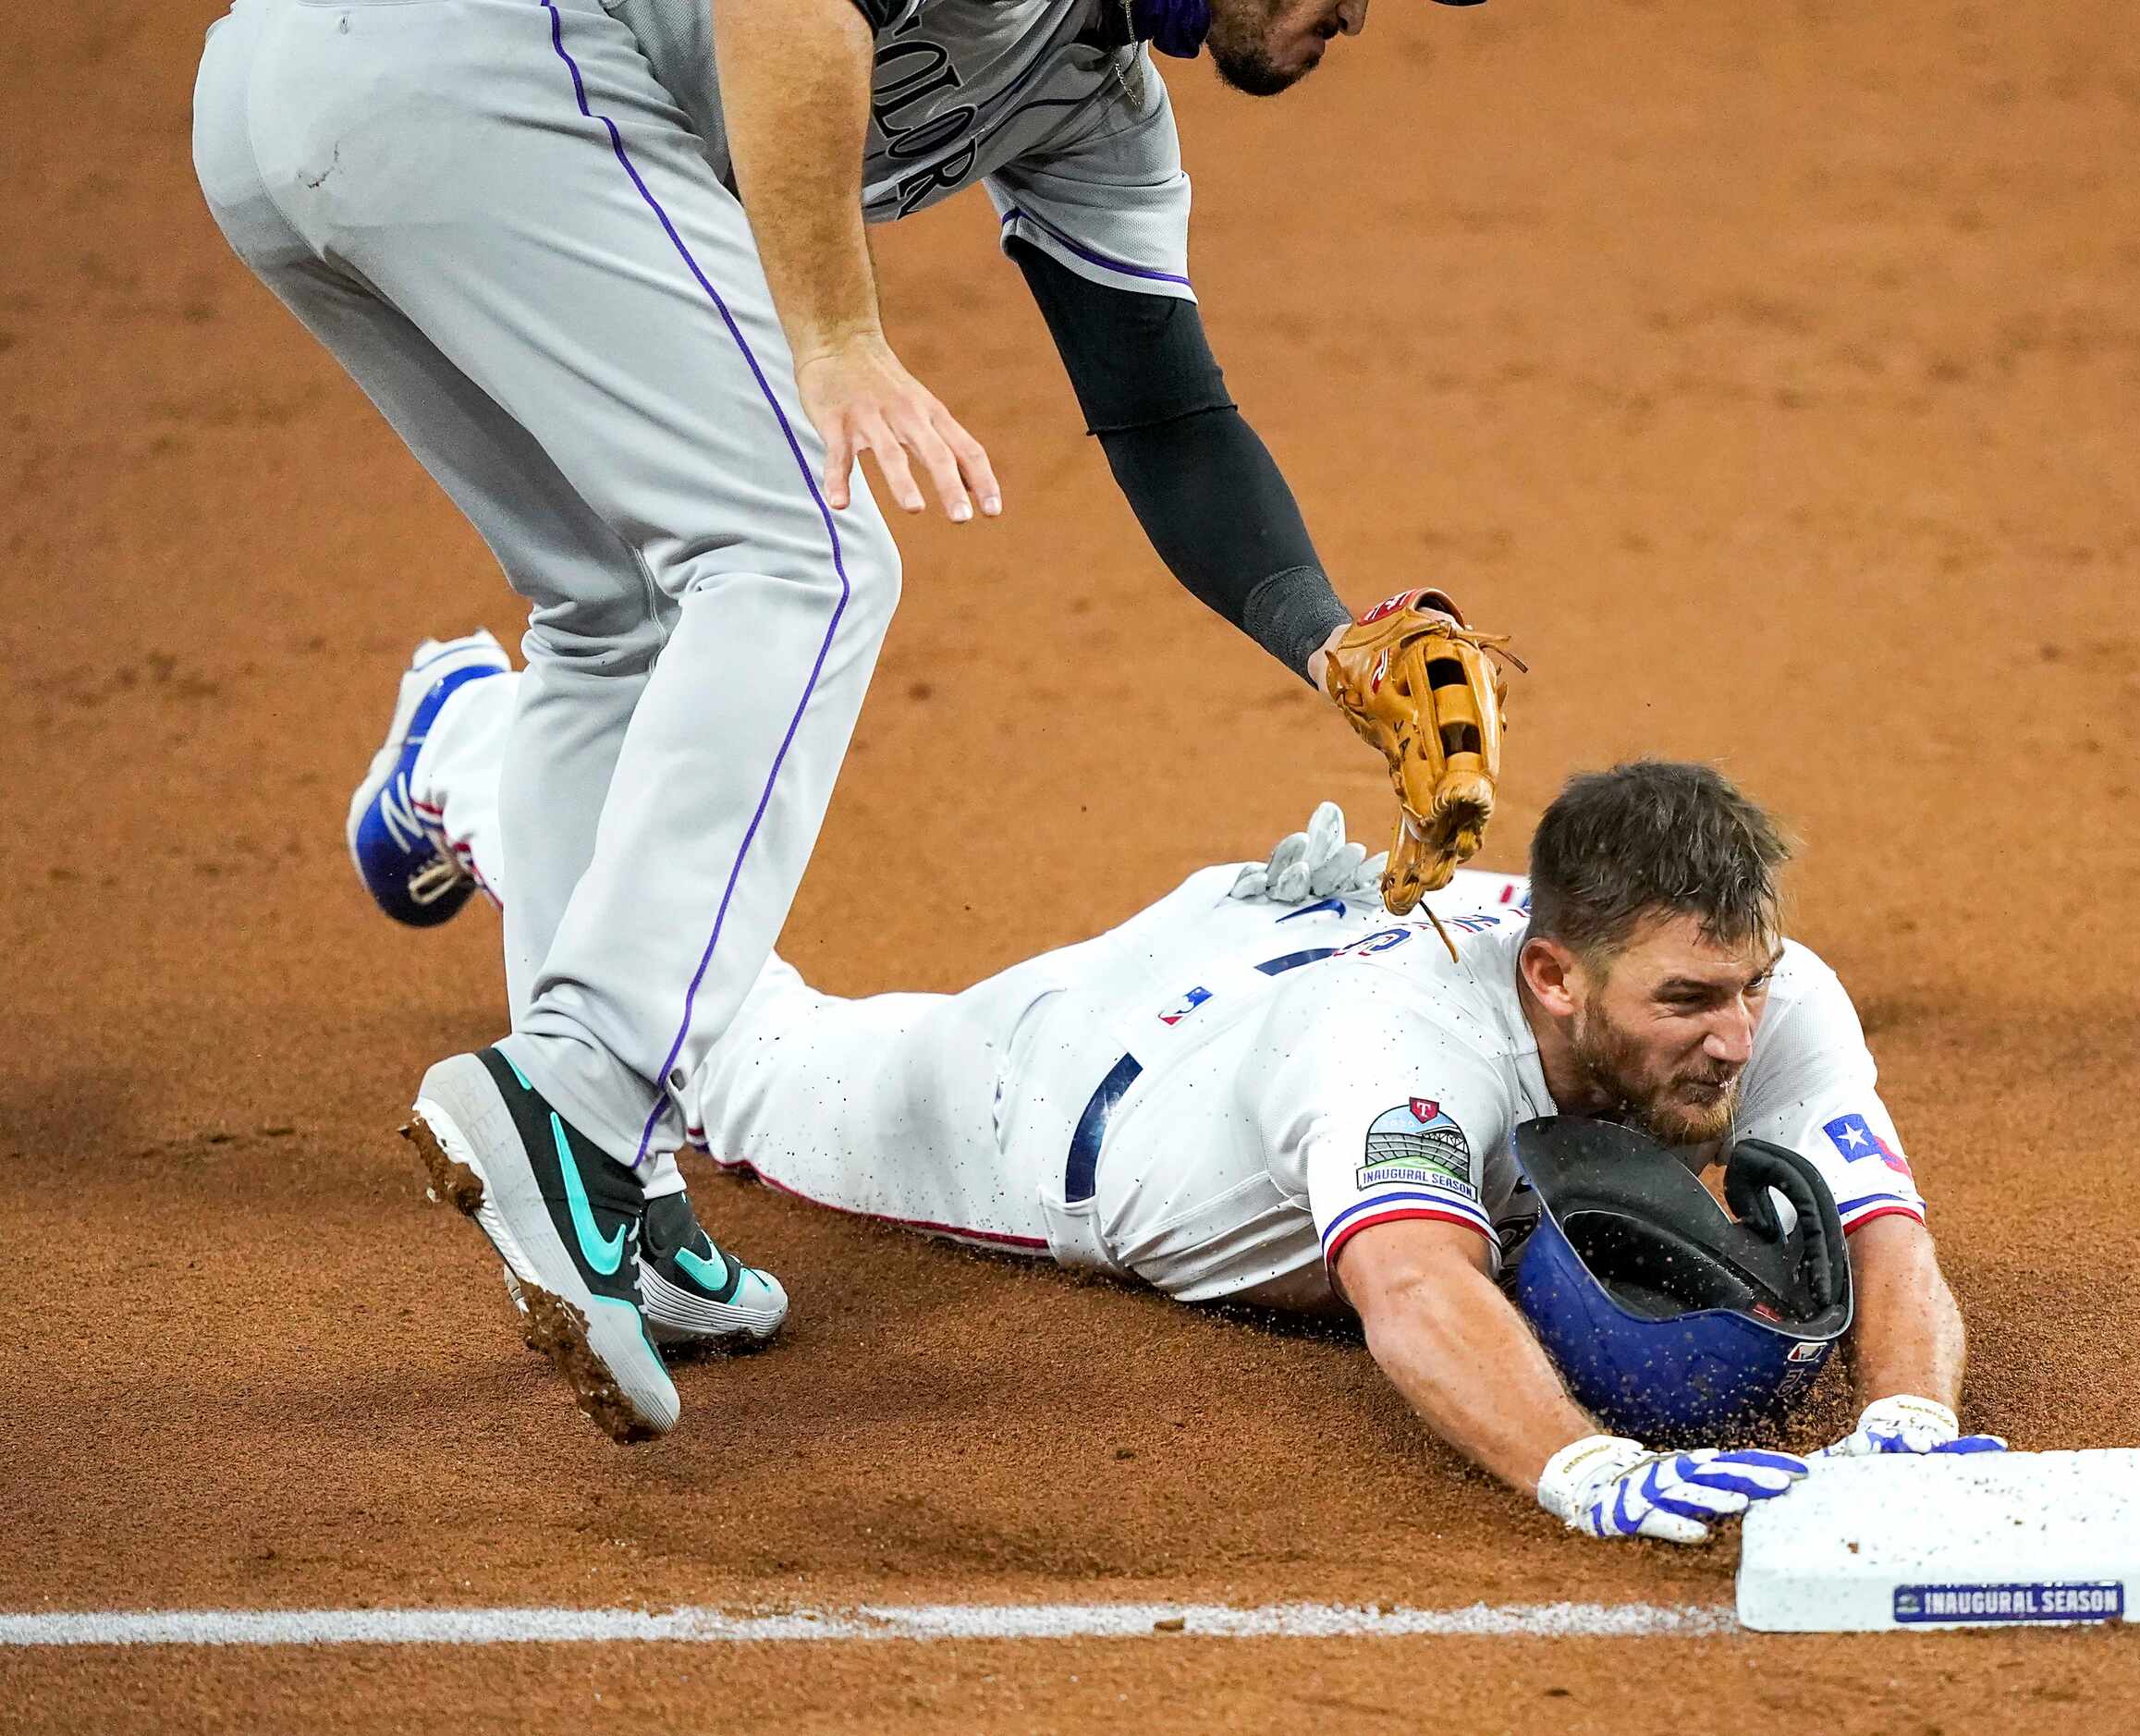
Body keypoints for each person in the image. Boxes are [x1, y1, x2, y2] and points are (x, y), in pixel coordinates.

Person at [195, 0, 1510, 1441]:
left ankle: (610, 1179)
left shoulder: (1096, 104)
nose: (1360, 13)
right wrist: (833, 336)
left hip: (306, 107)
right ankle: (576, 1093)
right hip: (455, 66)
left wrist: (1329, 643)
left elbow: (1163, 416)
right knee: (804, 559)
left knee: (611, 609)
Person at [373, 643, 1997, 1536]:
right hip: (1060, 1095)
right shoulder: (1410, 1049)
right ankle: (473, 740)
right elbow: (1413, 1288)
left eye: (1749, 988)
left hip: (1277, 929)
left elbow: (1887, 1238)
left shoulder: (1755, 986)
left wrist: (1910, 1418)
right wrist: (1587, 1467)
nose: (1734, 1033)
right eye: (1689, 1002)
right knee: (726, 1050)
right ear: (1553, 975)